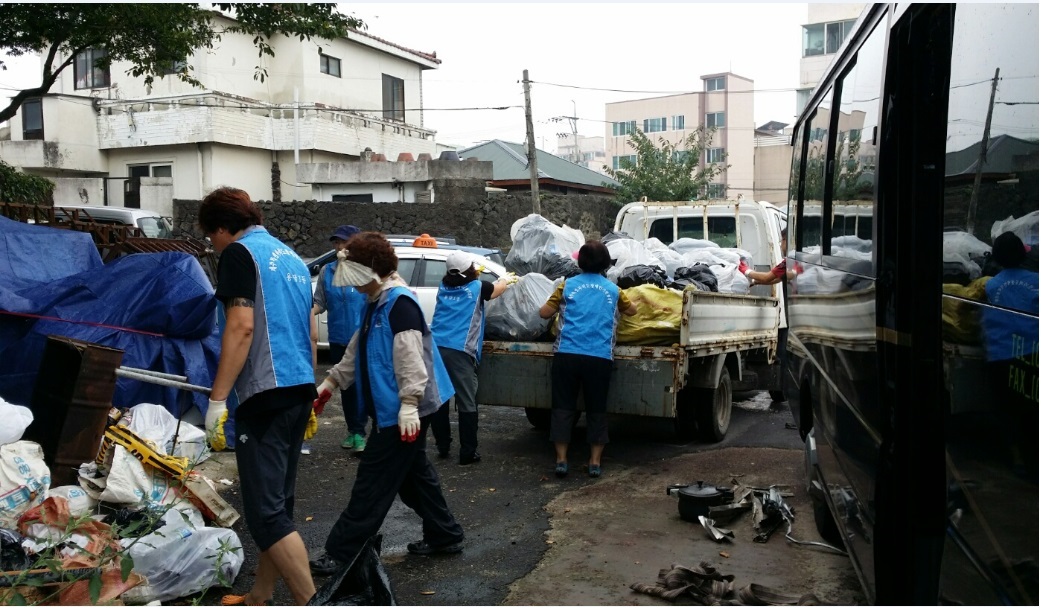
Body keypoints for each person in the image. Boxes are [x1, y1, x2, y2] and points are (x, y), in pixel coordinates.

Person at [309, 231, 465, 577]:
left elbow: (412, 359)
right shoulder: (377, 301)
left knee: (373, 481)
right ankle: (445, 534)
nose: (352, 287)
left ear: (373, 270)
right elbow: (358, 346)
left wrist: (409, 403)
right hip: (396, 408)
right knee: (413, 478)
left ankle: (341, 552)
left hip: (404, 411)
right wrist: (331, 382)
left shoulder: (400, 304)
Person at [198, 187, 317, 606]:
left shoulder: (239, 254)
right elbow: (311, 329)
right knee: (278, 506)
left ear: (222, 227)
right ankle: (260, 596)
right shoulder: (291, 258)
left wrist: (217, 401)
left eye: (211, 236)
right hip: (300, 388)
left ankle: (314, 601)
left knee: (265, 515)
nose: (212, 245)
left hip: (265, 394)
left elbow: (242, 326)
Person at [538, 240, 637, 479]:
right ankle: (594, 462)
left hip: (567, 354)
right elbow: (632, 310)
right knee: (597, 409)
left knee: (563, 407)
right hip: (599, 357)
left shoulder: (567, 285)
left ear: (580, 262)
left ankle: (562, 460)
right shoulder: (613, 290)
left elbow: (544, 313)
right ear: (605, 264)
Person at [429, 251, 515, 465]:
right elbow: (498, 290)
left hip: (436, 347)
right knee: (467, 401)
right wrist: (505, 279)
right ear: (469, 269)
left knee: (440, 398)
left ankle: (443, 445)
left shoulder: (443, 287)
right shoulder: (478, 288)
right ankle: (468, 452)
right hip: (460, 349)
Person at [980, 231, 1038, 476]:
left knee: (1007, 410)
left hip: (1000, 354)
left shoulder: (990, 285)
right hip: (1032, 354)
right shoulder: (1037, 280)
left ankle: (1017, 461)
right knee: (1032, 411)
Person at [312, 224, 370, 453]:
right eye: (336, 242)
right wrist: (305, 312)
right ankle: (353, 431)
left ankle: (360, 432)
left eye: (343, 242)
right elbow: (320, 303)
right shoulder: (328, 271)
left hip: (362, 338)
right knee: (345, 388)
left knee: (362, 386)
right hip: (337, 338)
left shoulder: (364, 269)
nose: (338, 246)